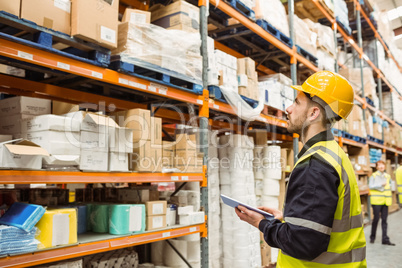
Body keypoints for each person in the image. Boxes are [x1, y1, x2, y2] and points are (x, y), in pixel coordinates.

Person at [235, 71, 366, 267]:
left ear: (313, 113)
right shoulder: (333, 153)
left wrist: (261, 223)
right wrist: (287, 220)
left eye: (296, 102)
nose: (288, 108)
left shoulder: (315, 164)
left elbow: (303, 244)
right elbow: (320, 222)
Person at [369, 160, 394, 245]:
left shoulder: (388, 176)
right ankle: (372, 237)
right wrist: (380, 185)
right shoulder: (374, 176)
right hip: (376, 202)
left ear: (384, 166)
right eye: (379, 165)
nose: (381, 166)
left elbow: (390, 185)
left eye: (382, 165)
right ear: (376, 167)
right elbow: (370, 186)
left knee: (384, 220)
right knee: (376, 219)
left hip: (385, 201)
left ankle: (385, 240)